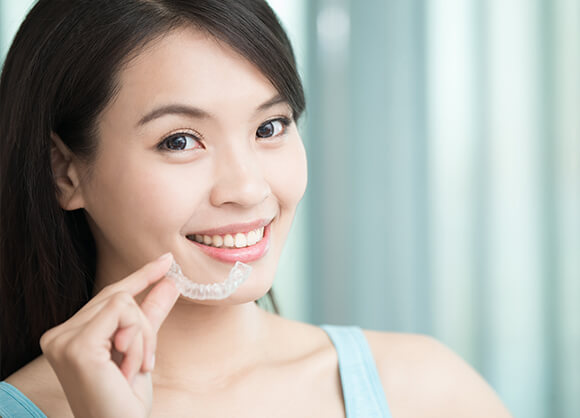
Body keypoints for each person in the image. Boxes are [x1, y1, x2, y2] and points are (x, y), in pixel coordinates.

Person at [0, 0, 512, 416]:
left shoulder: (423, 390)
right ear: (64, 173)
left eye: (270, 128)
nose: (246, 188)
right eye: (180, 141)